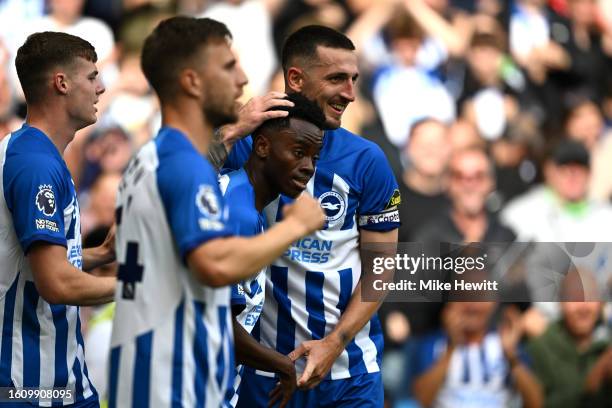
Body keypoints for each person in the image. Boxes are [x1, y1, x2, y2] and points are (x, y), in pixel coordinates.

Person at [108, 17, 324, 408]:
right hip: (176, 387)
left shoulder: (153, 158)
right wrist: (295, 227)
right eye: (228, 66)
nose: (243, 79)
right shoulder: (189, 170)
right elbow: (215, 266)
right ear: (192, 81)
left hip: (146, 378)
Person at [221, 25, 401, 407]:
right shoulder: (246, 147)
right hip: (265, 372)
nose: (350, 94)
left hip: (349, 372)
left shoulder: (367, 161)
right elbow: (170, 185)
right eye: (337, 78)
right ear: (296, 78)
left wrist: (335, 343)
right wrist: (233, 128)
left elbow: (383, 265)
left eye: (354, 79)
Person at [0, 31, 116, 407]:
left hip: (58, 381)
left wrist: (100, 254)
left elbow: (30, 258)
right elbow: (55, 281)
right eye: (92, 76)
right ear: (61, 83)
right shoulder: (35, 165)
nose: (101, 88)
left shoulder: (31, 152)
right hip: (30, 389)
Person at [221, 93, 326, 408]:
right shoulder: (238, 212)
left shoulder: (244, 200)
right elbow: (218, 324)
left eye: (314, 158)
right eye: (298, 152)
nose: (307, 167)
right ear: (263, 146)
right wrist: (282, 364)